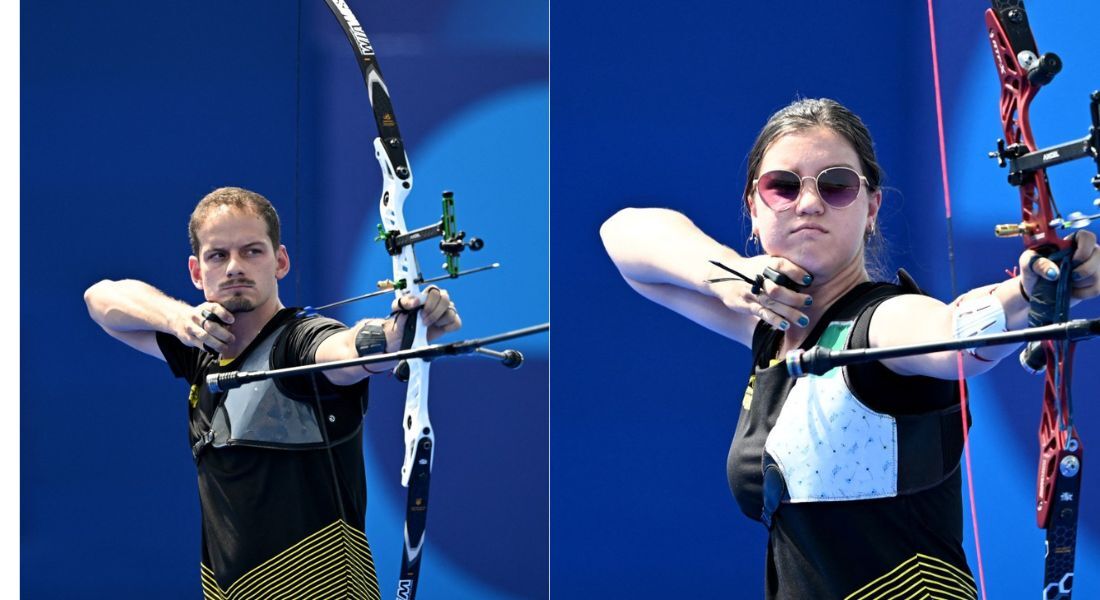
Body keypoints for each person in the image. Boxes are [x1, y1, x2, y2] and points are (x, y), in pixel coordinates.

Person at [600, 98, 1099, 599]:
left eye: (836, 185)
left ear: (871, 209)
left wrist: (1029, 291)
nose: (809, 203)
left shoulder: (883, 320)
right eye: (784, 186)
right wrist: (728, 276)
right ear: (754, 206)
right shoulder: (772, 327)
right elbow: (624, 238)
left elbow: (955, 338)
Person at [84, 186, 461, 599]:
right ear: (197, 272)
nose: (234, 267)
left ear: (280, 261)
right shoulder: (202, 351)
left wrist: (402, 331)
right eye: (217, 255)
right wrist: (179, 320)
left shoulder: (300, 342)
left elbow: (351, 349)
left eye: (252, 251)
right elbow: (101, 299)